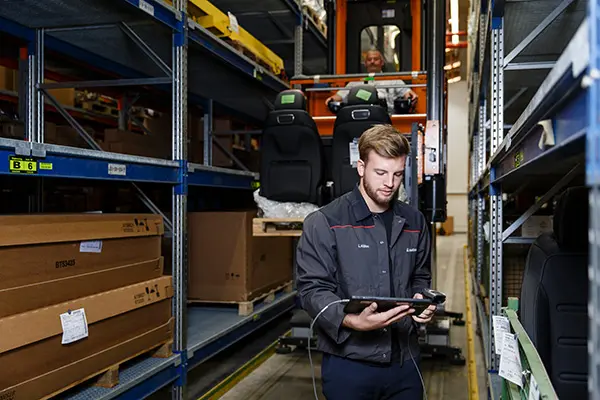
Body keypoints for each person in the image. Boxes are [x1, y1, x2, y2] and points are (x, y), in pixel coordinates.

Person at [296, 124, 436, 400]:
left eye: (397, 174)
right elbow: (311, 290)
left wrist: (423, 300)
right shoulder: (324, 223)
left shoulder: (415, 222)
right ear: (361, 167)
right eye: (380, 173)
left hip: (405, 361)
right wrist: (350, 320)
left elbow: (420, 275)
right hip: (348, 363)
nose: (389, 183)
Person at [325, 49, 419, 114]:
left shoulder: (393, 80)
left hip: (387, 118)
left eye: (376, 59)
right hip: (359, 118)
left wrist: (410, 97)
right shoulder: (355, 83)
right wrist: (331, 99)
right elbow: (339, 96)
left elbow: (408, 94)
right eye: (369, 59)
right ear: (365, 63)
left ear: (382, 63)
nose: (372, 62)